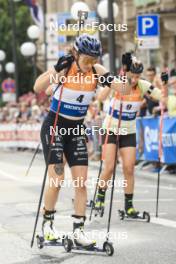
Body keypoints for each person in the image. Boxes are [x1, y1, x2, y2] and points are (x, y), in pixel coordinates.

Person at [33, 34, 131, 247]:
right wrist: (55, 72)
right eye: (86, 60)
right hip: (55, 126)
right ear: (76, 54)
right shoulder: (66, 67)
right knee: (57, 179)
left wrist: (127, 71)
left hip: (76, 129)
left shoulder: (97, 71)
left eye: (94, 59)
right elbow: (38, 87)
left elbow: (123, 89)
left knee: (81, 182)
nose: (90, 64)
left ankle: (78, 231)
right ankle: (48, 225)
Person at [95, 54, 164, 218]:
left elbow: (160, 96)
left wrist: (164, 85)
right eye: (132, 76)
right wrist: (114, 84)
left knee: (129, 168)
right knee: (110, 167)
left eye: (137, 76)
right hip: (111, 128)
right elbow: (101, 97)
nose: (134, 79)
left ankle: (129, 206)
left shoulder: (142, 85)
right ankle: (100, 197)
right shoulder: (119, 83)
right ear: (126, 73)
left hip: (128, 130)